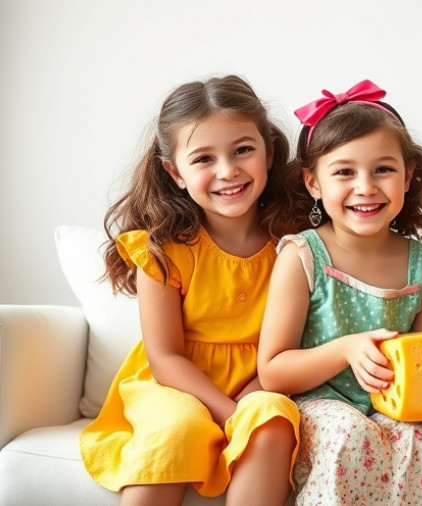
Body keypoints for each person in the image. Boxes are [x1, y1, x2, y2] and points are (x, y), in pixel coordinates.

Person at [257, 79, 422, 506]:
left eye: (383, 170)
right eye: (344, 172)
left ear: (408, 176)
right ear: (313, 183)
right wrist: (346, 349)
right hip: (322, 405)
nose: (366, 186)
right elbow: (273, 371)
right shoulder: (302, 256)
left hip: (399, 407)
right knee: (349, 434)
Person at [79, 75, 302, 506]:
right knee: (176, 429)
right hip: (177, 385)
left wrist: (255, 395)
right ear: (175, 172)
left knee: (272, 418)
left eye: (243, 150)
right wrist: (226, 411)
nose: (227, 171)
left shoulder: (296, 243)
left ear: (270, 152)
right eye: (203, 158)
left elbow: (302, 338)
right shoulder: (164, 250)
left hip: (266, 379)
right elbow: (165, 357)